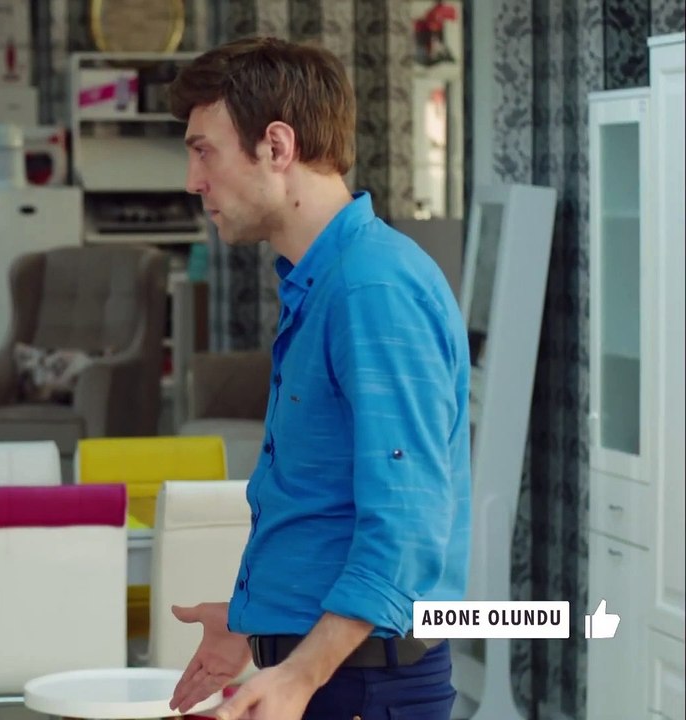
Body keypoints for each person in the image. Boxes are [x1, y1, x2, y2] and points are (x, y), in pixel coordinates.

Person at [165, 36, 471, 720]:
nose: (193, 180)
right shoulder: (323, 281)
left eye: (204, 150)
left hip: (360, 686)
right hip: (332, 672)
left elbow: (406, 525)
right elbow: (324, 501)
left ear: (276, 146)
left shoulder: (371, 289)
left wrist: (300, 674)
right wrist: (254, 620)